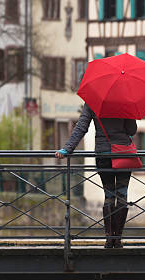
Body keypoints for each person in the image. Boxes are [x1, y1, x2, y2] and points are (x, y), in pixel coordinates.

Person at [55, 103, 137, 248]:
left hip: (103, 154)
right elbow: (132, 130)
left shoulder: (93, 100)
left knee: (109, 195)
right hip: (123, 153)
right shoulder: (124, 99)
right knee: (122, 194)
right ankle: (117, 239)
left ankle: (108, 239)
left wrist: (67, 149)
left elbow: (81, 127)